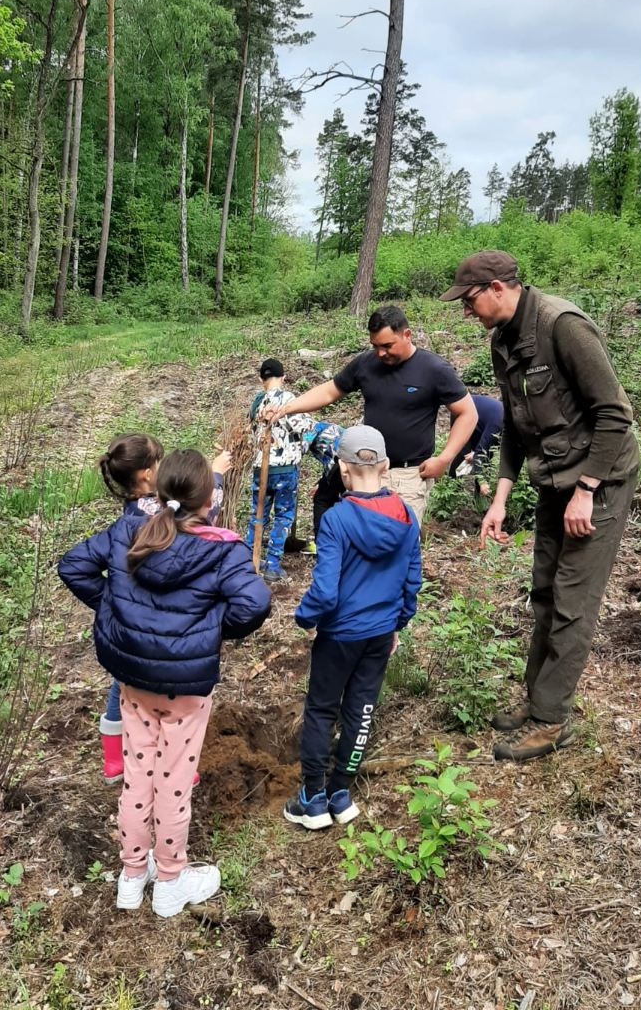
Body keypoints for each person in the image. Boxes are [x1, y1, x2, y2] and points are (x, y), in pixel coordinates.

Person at [441, 251, 640, 762]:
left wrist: (588, 489)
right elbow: (514, 423)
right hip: (555, 480)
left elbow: (615, 415)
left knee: (573, 599)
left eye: (469, 300)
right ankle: (538, 700)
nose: (467, 311)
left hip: (600, 479)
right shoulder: (502, 341)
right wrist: (500, 498)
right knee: (545, 590)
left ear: (498, 288)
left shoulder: (563, 326)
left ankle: (552, 721)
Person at [58, 450, 270, 917]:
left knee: (137, 778)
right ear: (209, 497)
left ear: (160, 491)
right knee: (173, 784)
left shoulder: (132, 529)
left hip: (135, 682)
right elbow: (254, 605)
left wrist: (119, 613)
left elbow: (73, 565)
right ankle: (171, 880)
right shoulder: (222, 547)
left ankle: (132, 877)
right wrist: (208, 631)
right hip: (185, 691)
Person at [284, 425, 422, 829]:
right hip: (381, 632)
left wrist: (305, 618)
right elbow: (413, 578)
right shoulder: (405, 515)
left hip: (341, 633)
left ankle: (312, 798)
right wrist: (399, 622)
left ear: (343, 469)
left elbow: (326, 590)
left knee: (322, 708)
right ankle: (341, 792)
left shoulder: (337, 519)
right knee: (361, 707)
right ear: (386, 466)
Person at [94, 433, 230, 784]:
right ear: (145, 476)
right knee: (157, 692)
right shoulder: (151, 511)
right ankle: (169, 766)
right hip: (158, 616)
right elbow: (203, 510)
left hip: (133, 616)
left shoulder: (134, 510)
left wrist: (110, 603)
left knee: (124, 681)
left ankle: (115, 759)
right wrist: (213, 477)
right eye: (159, 464)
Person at [267, 306, 477, 529]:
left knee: (398, 543)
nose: (381, 353)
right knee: (363, 541)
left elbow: (467, 413)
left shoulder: (433, 369)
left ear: (407, 335)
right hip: (367, 471)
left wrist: (444, 459)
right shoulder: (366, 364)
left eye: (387, 346)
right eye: (375, 346)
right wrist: (286, 408)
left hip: (408, 475)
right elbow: (330, 391)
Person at [244, 359, 313, 581]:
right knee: (283, 515)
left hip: (260, 468)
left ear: (261, 379)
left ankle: (246, 558)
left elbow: (249, 431)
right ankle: (272, 564)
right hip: (284, 468)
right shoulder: (289, 399)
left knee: (258, 513)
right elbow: (306, 425)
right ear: (283, 378)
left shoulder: (256, 402)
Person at [449, 393, 504, 498]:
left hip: (481, 420)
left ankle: (478, 496)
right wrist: (482, 481)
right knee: (463, 454)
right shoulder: (498, 423)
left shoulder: (508, 427)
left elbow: (488, 449)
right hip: (463, 411)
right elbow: (481, 452)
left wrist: (476, 453)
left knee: (486, 456)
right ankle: (452, 487)